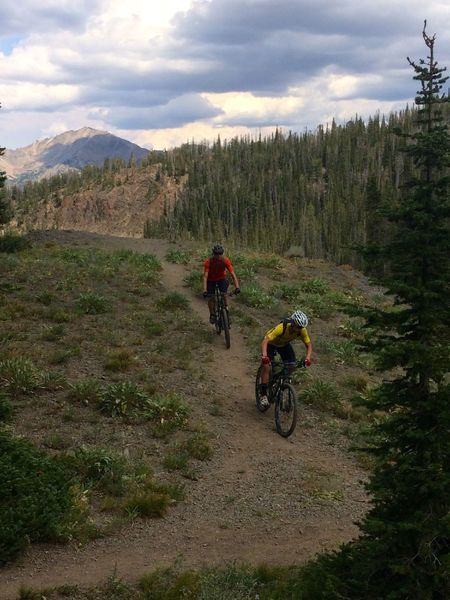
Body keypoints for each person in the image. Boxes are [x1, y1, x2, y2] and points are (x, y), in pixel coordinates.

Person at [259, 310, 312, 408]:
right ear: (292, 323)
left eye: (301, 327)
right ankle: (263, 395)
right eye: (298, 327)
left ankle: (278, 381)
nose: (299, 329)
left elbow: (308, 345)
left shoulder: (302, 331)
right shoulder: (281, 328)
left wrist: (308, 358)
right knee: (267, 367)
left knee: (292, 365)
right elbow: (266, 340)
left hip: (283, 345)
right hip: (270, 344)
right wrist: (264, 356)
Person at [203, 244, 240, 323]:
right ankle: (212, 314)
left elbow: (233, 274)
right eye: (216, 254)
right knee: (211, 298)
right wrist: (205, 290)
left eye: (220, 254)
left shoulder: (225, 260)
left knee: (224, 294)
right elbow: (205, 277)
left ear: (222, 254)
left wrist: (237, 287)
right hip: (211, 280)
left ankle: (226, 311)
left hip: (221, 279)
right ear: (213, 254)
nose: (218, 256)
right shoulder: (208, 262)